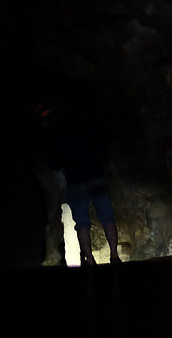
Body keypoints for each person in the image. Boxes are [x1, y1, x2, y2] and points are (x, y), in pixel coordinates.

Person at [41, 102, 121, 265]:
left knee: (82, 223)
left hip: (76, 182)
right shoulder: (83, 125)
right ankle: (114, 256)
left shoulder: (53, 135)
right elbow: (101, 144)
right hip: (96, 175)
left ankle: (90, 261)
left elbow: (54, 163)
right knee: (108, 218)